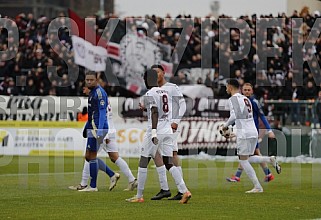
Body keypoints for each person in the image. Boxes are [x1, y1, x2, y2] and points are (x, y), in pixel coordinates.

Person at [126, 69, 191, 203]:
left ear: (146, 80)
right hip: (167, 129)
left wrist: (154, 132)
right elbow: (159, 109)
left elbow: (155, 112)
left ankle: (139, 196)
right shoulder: (165, 92)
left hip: (155, 130)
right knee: (169, 162)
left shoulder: (149, 93)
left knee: (143, 161)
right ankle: (185, 191)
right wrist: (146, 108)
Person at [69, 86, 137, 191]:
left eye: (85, 87)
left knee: (90, 156)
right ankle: (132, 179)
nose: (83, 89)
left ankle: (84, 184)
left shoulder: (97, 99)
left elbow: (101, 116)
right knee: (115, 157)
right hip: (110, 130)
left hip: (104, 131)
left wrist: (104, 134)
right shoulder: (102, 98)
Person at [222, 79, 279, 193]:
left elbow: (234, 116)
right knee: (248, 158)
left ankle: (257, 187)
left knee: (243, 160)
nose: (226, 88)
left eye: (226, 86)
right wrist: (234, 131)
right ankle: (269, 159)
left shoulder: (233, 99)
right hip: (253, 131)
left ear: (230, 86)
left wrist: (225, 126)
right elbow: (243, 117)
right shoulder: (245, 99)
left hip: (245, 134)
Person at [151, 64, 187, 200]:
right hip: (158, 126)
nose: (156, 75)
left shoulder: (172, 87)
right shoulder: (153, 89)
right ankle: (168, 188)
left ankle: (179, 189)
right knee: (157, 154)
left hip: (169, 126)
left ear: (163, 73)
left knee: (171, 154)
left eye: (158, 72)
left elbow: (182, 105)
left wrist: (176, 122)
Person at [76, 71, 117, 192]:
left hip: (98, 127)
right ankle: (111, 174)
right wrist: (86, 128)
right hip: (92, 126)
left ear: (96, 80)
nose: (89, 82)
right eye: (87, 80)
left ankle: (93, 186)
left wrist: (99, 130)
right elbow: (91, 114)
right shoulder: (92, 93)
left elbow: (103, 112)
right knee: (88, 156)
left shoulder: (99, 93)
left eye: (91, 80)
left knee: (92, 156)